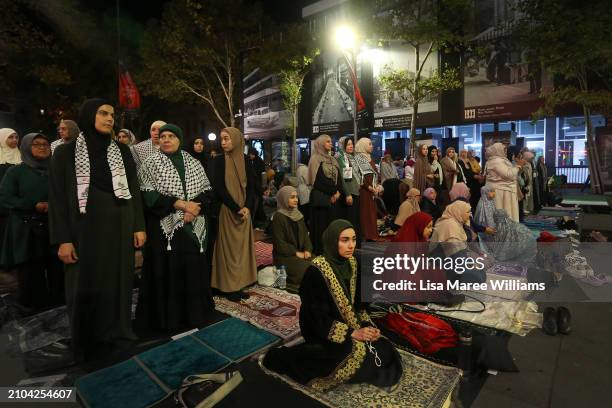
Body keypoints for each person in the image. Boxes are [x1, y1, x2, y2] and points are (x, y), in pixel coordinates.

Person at [48, 98, 146, 362]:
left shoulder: (123, 151)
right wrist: (63, 240)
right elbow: (57, 199)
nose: (109, 118)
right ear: (89, 115)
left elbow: (133, 190)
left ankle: (118, 333)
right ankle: (88, 340)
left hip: (119, 226)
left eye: (112, 114)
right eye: (103, 113)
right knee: (85, 283)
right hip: (84, 230)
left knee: (119, 280)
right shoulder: (65, 153)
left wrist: (138, 225)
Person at [262, 220, 402, 391]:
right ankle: (282, 357)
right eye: (344, 240)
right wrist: (352, 333)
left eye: (353, 239)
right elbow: (315, 318)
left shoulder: (352, 263)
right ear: (332, 241)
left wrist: (367, 326)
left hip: (351, 324)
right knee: (354, 358)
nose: (351, 245)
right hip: (323, 331)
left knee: (384, 348)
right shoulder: (316, 272)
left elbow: (359, 305)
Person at [136, 124, 215, 332]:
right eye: (163, 136)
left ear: (179, 139)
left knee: (191, 271)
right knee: (166, 274)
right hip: (164, 232)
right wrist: (181, 204)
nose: (166, 139)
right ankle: (168, 320)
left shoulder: (194, 163)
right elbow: (148, 196)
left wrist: (193, 209)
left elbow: (207, 192)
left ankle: (193, 316)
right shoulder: (149, 164)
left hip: (192, 226)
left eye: (171, 136)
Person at [0, 133, 64, 310]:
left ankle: (58, 309)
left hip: (54, 227)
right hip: (26, 229)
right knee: (30, 275)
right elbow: (5, 198)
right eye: (36, 144)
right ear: (27, 147)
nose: (42, 147)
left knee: (58, 272)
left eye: (45, 144)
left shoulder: (57, 170)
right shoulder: (16, 172)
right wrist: (32, 205)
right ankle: (33, 311)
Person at [210, 127, 257, 301]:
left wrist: (247, 207)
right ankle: (227, 287)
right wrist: (237, 208)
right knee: (228, 251)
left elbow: (252, 186)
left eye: (227, 139)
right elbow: (219, 188)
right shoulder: (219, 161)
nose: (223, 143)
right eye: (222, 139)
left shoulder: (245, 160)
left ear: (236, 140)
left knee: (241, 251)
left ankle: (239, 284)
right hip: (228, 211)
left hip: (244, 212)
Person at [270, 186, 313, 292]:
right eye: (292, 197)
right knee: (308, 270)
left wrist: (307, 249)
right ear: (284, 198)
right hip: (284, 257)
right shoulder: (278, 217)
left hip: (301, 254)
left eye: (296, 197)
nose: (296, 200)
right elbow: (280, 244)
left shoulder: (298, 215)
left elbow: (306, 236)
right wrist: (296, 253)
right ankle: (283, 279)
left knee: (319, 264)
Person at [308, 134, 343, 254]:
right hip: (322, 199)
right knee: (321, 227)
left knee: (332, 226)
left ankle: (331, 250)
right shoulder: (315, 159)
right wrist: (333, 192)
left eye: (331, 141)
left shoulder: (333, 159)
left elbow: (339, 178)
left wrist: (338, 191)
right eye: (328, 141)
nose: (331, 143)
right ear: (321, 143)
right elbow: (317, 180)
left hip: (334, 199)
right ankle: (320, 251)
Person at [484, 142, 522, 222]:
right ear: (498, 150)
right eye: (504, 149)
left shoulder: (499, 160)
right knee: (503, 213)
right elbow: (508, 174)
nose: (505, 151)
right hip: (501, 191)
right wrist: (518, 166)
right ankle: (503, 231)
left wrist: (516, 168)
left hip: (503, 189)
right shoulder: (497, 161)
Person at [354, 137, 380, 241]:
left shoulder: (369, 157)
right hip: (364, 190)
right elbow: (360, 176)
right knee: (365, 212)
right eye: (369, 144)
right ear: (363, 145)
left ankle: (372, 234)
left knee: (372, 212)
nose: (372, 146)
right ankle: (366, 235)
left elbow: (374, 174)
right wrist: (369, 187)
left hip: (372, 190)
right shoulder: (359, 158)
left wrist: (376, 185)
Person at [336, 137, 360, 235]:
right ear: (343, 145)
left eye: (352, 144)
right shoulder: (342, 158)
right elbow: (345, 178)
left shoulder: (350, 157)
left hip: (355, 191)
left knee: (355, 218)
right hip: (349, 193)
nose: (351, 146)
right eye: (348, 144)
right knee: (350, 218)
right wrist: (348, 194)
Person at [247, 147, 267, 228]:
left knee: (256, 204)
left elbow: (262, 175)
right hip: (255, 185)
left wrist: (263, 187)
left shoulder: (259, 162)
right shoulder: (252, 161)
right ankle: (258, 220)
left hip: (257, 185)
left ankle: (256, 221)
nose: (250, 156)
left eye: (251, 154)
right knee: (257, 204)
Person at [296, 153, 311, 226]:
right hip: (305, 191)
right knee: (305, 211)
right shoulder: (305, 168)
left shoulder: (299, 167)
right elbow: (308, 181)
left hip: (300, 189)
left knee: (301, 210)